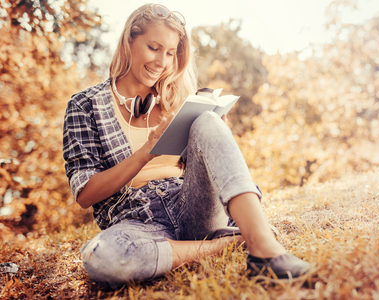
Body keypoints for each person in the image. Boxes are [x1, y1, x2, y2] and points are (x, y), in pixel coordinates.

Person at [62, 3, 310, 288]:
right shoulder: (85, 105)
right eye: (154, 48)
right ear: (129, 40)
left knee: (208, 121)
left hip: (193, 208)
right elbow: (85, 194)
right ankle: (223, 244)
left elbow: (203, 175)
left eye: (170, 53)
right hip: (136, 223)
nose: (162, 62)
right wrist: (145, 153)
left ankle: (263, 247)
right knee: (101, 257)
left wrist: (214, 132)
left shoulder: (177, 98)